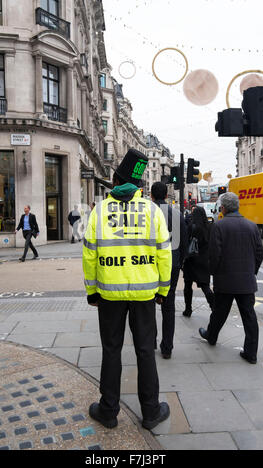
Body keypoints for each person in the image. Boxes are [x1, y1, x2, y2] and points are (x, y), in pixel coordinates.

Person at [83, 149, 172, 430]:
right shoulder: (151, 210)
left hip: (109, 294)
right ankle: (151, 411)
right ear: (138, 186)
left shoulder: (98, 211)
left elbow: (89, 255)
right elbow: (164, 253)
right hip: (145, 294)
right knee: (145, 351)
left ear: (115, 179)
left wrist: (92, 291)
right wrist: (163, 290)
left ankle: (108, 410)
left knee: (112, 350)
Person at [199, 192, 263, 364]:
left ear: (223, 208)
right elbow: (259, 253)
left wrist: (214, 273)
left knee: (219, 312)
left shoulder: (219, 226)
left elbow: (214, 255)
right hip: (246, 280)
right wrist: (252, 271)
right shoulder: (252, 226)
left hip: (225, 280)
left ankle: (211, 336)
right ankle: (251, 353)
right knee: (249, 316)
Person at [151, 182, 188, 359]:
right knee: (169, 305)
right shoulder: (177, 214)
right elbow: (184, 243)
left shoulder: (147, 213)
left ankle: (150, 341)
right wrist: (180, 262)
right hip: (172, 264)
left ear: (151, 195)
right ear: (166, 195)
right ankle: (167, 348)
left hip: (150, 264)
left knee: (148, 304)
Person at [183, 206, 214, 316]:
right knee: (205, 286)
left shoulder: (192, 227)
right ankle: (213, 305)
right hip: (204, 260)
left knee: (188, 285)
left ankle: (188, 309)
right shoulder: (210, 227)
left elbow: (186, 242)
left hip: (191, 260)